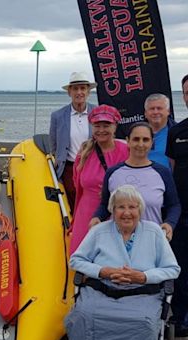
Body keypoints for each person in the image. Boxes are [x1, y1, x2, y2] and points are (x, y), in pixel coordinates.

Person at [66, 185, 180, 340]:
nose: (127, 212)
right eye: (120, 207)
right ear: (112, 210)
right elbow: (76, 260)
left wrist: (142, 276)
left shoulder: (154, 232)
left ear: (140, 210)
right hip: (102, 292)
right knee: (83, 317)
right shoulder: (99, 231)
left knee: (144, 324)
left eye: (132, 207)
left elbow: (172, 269)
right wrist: (103, 271)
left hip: (143, 295)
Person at [91, 122, 180, 241]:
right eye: (136, 139)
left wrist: (170, 223)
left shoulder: (162, 173)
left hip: (151, 240)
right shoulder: (113, 173)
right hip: (117, 241)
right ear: (128, 141)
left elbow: (174, 205)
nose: (141, 144)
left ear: (152, 142)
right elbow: (105, 205)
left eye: (146, 139)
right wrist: (97, 217)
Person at [70, 105, 128, 254]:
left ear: (115, 126)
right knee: (83, 258)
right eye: (97, 125)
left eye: (106, 125)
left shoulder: (126, 151)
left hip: (116, 213)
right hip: (86, 213)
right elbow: (78, 185)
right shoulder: (84, 152)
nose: (101, 130)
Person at [49, 71, 97, 209]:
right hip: (69, 168)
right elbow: (54, 144)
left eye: (83, 88)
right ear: (69, 92)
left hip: (92, 166)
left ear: (88, 91)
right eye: (75, 88)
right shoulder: (57, 116)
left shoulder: (97, 112)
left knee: (90, 202)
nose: (79, 92)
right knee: (72, 204)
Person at [166, 74, 188, 336]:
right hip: (183, 212)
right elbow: (172, 170)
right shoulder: (176, 131)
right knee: (182, 267)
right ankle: (182, 317)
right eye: (186, 92)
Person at [144, 93, 172, 169]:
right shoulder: (137, 134)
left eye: (159, 108)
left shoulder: (177, 133)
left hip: (169, 179)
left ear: (168, 111)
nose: (155, 112)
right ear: (145, 113)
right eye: (152, 109)